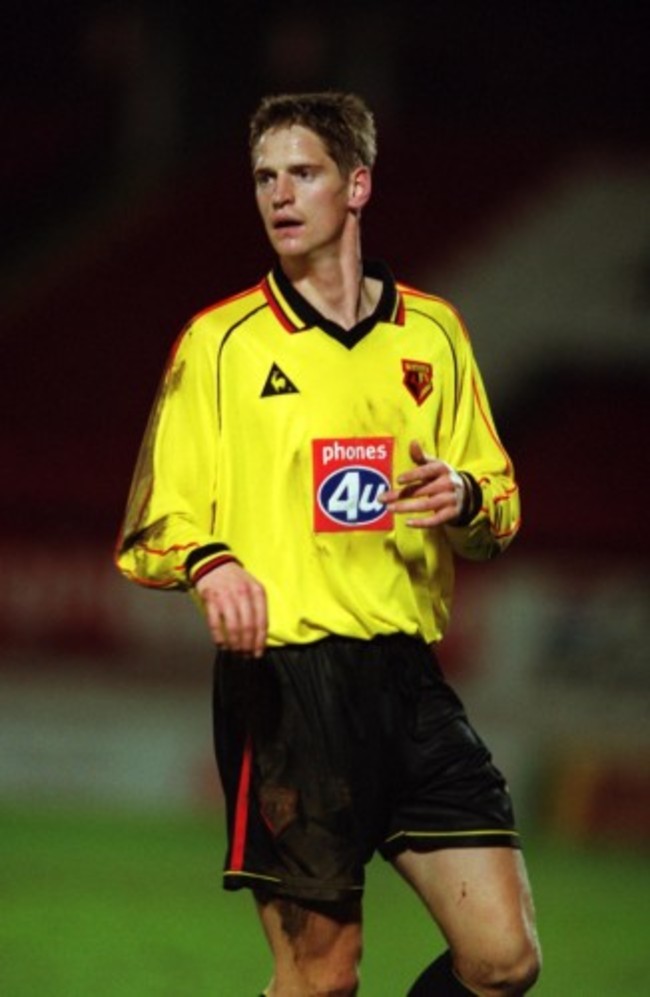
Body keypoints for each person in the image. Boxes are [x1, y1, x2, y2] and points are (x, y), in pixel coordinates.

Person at [115, 91, 541, 996]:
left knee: (503, 960)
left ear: (356, 185)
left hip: (410, 683)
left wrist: (462, 494)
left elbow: (497, 506)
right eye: (264, 177)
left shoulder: (433, 332)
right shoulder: (220, 343)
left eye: (302, 172)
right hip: (288, 690)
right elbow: (153, 521)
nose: (279, 194)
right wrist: (213, 561)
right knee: (324, 976)